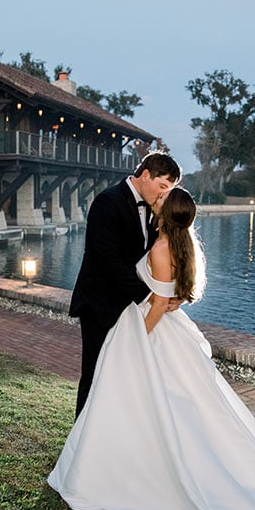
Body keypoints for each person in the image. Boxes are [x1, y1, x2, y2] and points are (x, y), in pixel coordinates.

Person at [49, 188, 255, 510]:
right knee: (167, 402)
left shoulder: (162, 248)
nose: (155, 201)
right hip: (162, 327)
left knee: (158, 401)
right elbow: (168, 292)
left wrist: (135, 339)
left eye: (161, 201)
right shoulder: (179, 244)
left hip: (151, 330)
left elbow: (159, 304)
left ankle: (146, 467)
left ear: (166, 214)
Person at [69, 151, 182, 417]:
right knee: (95, 374)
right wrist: (152, 298)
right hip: (100, 305)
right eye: (163, 186)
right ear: (145, 175)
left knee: (123, 378)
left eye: (170, 190)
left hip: (130, 309)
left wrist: (174, 294)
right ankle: (80, 444)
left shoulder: (156, 209)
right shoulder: (107, 202)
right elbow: (109, 261)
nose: (164, 194)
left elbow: (166, 257)